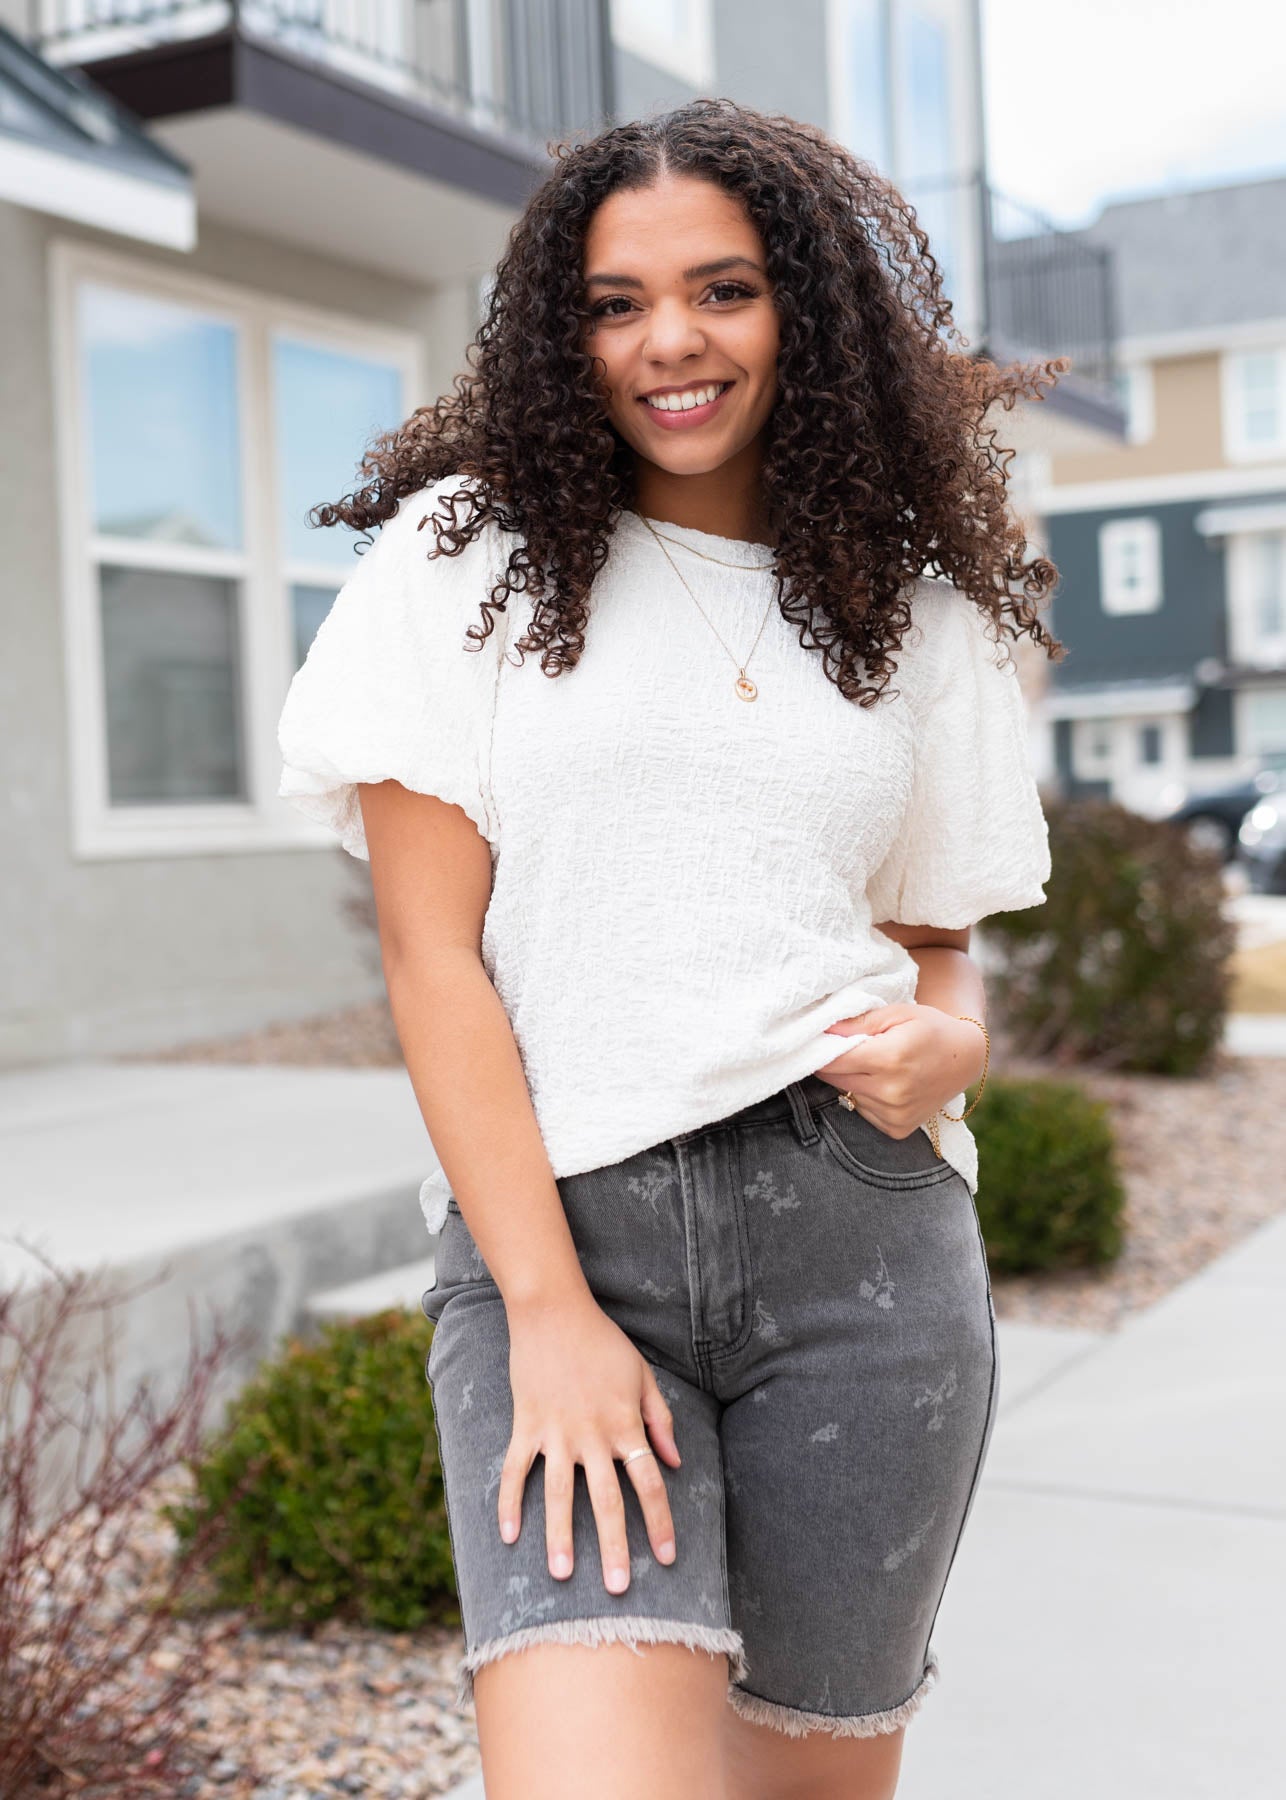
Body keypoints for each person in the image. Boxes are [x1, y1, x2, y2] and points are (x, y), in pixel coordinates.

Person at [276, 97, 1064, 1800]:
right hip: (567, 1244)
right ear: (561, 340)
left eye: (723, 288)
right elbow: (433, 963)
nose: (671, 343)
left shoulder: (908, 609)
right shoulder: (465, 564)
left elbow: (932, 940)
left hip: (862, 1258)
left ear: (808, 311)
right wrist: (548, 1312)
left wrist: (957, 1034)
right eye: (615, 304)